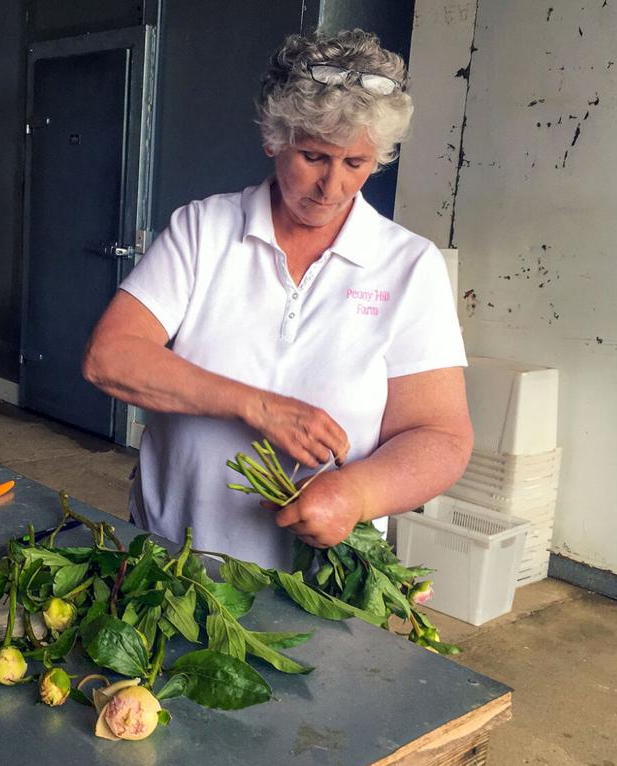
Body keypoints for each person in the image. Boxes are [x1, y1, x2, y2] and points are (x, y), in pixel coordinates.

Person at [82, 28, 473, 570]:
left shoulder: (409, 266)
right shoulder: (205, 230)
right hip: (172, 561)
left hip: (317, 580)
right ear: (274, 138)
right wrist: (258, 407)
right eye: (313, 156)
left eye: (355, 164)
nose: (332, 187)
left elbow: (441, 436)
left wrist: (356, 495)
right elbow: (111, 357)